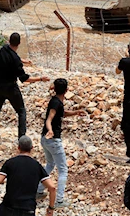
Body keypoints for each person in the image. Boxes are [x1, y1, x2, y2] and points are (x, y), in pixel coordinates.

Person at [0, 136, 56, 216]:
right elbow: (52, 187)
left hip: (9, 207)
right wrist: (50, 209)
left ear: (18, 147)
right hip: (28, 209)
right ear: (32, 148)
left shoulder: (10, 163)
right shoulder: (37, 166)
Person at [37, 78, 87, 208]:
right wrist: (51, 130)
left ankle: (38, 190)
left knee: (50, 164)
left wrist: (76, 112)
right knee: (63, 170)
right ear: (66, 90)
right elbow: (49, 119)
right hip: (53, 139)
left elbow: (62, 113)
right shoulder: (56, 103)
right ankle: (59, 201)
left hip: (45, 139)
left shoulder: (57, 101)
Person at [0, 33, 49, 142]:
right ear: (19, 43)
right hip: (11, 88)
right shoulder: (15, 60)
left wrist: (23, 61)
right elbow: (24, 79)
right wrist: (40, 78)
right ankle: (21, 137)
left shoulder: (3, 49)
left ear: (9, 41)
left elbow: (11, 55)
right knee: (21, 111)